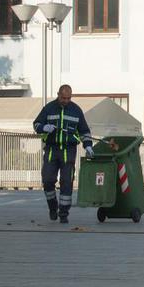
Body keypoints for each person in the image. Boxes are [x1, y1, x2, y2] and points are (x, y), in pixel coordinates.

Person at [34, 84, 92, 223]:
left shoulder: (76, 110)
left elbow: (84, 131)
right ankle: (53, 207)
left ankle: (64, 213)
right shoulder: (48, 108)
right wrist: (44, 127)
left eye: (68, 98)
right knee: (47, 180)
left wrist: (88, 146)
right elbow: (36, 124)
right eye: (63, 97)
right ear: (58, 94)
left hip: (68, 151)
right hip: (51, 150)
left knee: (67, 182)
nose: (66, 100)